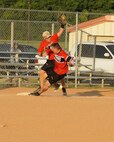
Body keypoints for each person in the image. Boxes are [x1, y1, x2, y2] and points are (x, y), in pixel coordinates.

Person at [36, 22, 66, 94]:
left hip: (57, 60)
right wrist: (43, 53)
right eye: (48, 37)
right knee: (46, 74)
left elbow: (60, 31)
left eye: (49, 36)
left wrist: (62, 24)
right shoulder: (43, 43)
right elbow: (39, 53)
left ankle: (62, 88)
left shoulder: (54, 38)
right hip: (51, 60)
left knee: (58, 76)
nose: (49, 38)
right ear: (44, 38)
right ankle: (56, 86)